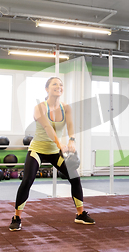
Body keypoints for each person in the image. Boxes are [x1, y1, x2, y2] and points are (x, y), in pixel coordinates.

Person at [9, 77, 95, 231]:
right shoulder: (39, 108)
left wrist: (72, 141)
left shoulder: (66, 108)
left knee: (75, 178)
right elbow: (48, 128)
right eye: (54, 84)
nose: (59, 86)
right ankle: (17, 217)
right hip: (38, 150)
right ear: (47, 89)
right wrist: (60, 143)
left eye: (61, 84)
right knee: (28, 180)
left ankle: (80, 214)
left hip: (55, 152)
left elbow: (70, 125)